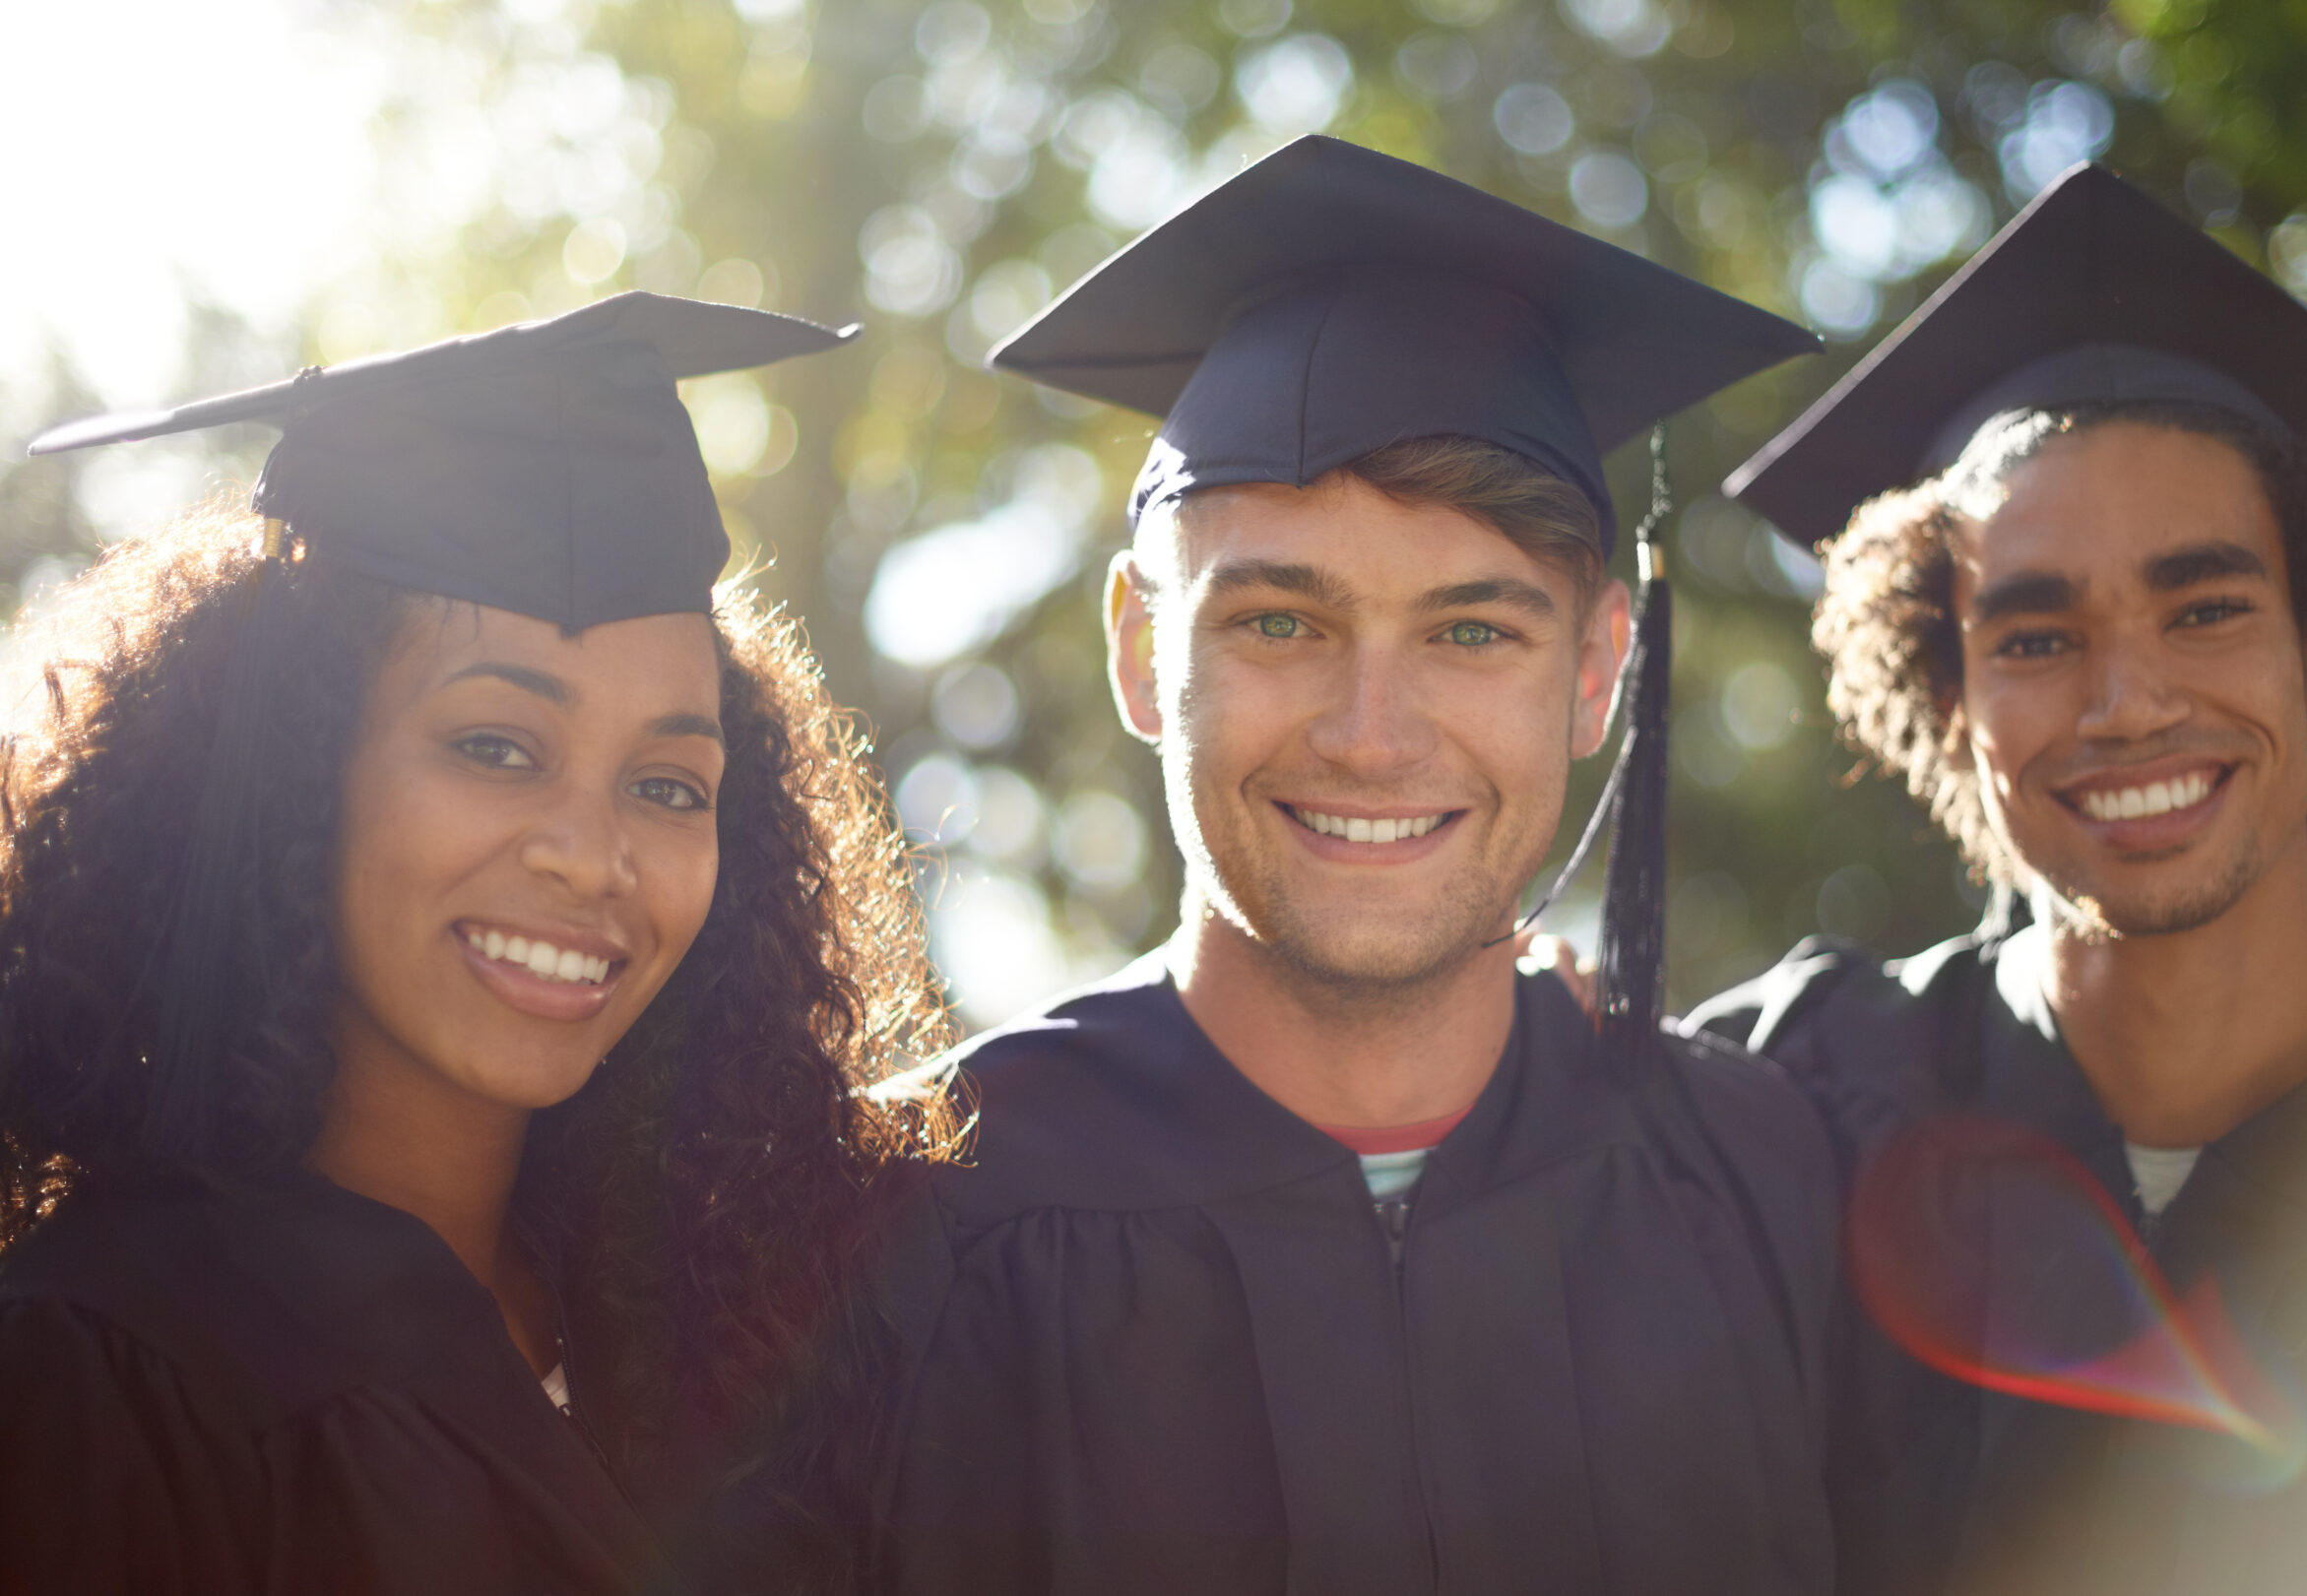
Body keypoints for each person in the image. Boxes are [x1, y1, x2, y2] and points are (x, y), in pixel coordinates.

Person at [872, 134, 1850, 1596]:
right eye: (1279, 622)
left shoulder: (1762, 1180)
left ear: (1596, 671)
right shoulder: (903, 1226)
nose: (1371, 737)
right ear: (1145, 652)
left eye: (1473, 632)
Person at [0, 293, 955, 1596]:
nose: (591, 853)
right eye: (494, 745)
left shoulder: (741, 1335)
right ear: (297, 768)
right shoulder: (98, 1371)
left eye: (669, 783)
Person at [1694, 162, 2307, 1595]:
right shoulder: (1782, 1101)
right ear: (1951, 698)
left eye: (2205, 609)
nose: (2127, 702)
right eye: (2032, 637)